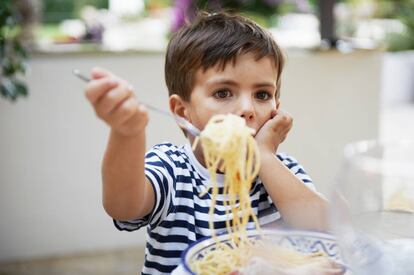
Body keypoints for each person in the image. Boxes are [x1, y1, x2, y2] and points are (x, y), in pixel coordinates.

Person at [84, 11, 328, 275]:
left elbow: (326, 231)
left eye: (262, 94)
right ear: (181, 111)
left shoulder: (281, 172)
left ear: (276, 109)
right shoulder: (172, 168)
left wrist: (264, 158)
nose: (247, 108)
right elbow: (122, 206)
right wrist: (127, 132)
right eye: (223, 93)